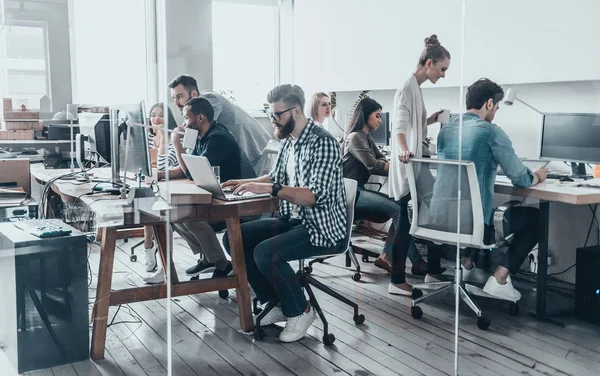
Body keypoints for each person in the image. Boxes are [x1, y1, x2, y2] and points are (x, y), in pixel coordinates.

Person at [221, 84, 347, 343]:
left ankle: (301, 310)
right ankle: (276, 302)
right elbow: (276, 178)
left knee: (266, 252)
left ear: (296, 111)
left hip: (320, 227)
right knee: (234, 238)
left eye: (277, 114)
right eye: (271, 114)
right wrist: (244, 182)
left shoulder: (322, 143)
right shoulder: (289, 142)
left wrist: (270, 187)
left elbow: (314, 196)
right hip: (292, 221)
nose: (273, 120)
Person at [433, 78, 548, 300]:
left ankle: (466, 265)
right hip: (470, 222)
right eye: (496, 107)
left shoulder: (445, 130)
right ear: (488, 104)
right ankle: (500, 278)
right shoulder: (491, 132)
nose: (496, 111)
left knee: (478, 206)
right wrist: (538, 175)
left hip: (439, 218)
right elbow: (521, 178)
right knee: (535, 219)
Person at [152, 97, 255, 282]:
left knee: (189, 215)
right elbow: (188, 168)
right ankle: (211, 258)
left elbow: (190, 172)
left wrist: (176, 142)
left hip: (238, 200)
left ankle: (220, 262)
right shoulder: (201, 135)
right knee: (174, 214)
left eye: (186, 117)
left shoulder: (218, 139)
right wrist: (158, 175)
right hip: (217, 195)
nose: (183, 123)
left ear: (200, 118)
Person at [342, 97, 437, 275]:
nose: (380, 120)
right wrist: (402, 165)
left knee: (401, 208)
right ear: (365, 115)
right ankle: (412, 261)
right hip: (350, 192)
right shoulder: (355, 137)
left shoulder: (366, 137)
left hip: (357, 189)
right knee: (400, 211)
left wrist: (395, 164)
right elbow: (375, 165)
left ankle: (387, 256)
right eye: (377, 116)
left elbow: (382, 161)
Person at [388, 34, 449, 296]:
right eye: (442, 69)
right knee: (409, 217)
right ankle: (398, 279)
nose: (443, 75)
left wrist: (431, 120)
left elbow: (413, 123)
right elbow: (399, 126)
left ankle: (431, 270)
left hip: (416, 162)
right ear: (429, 63)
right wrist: (403, 151)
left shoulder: (415, 87)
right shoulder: (407, 87)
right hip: (410, 163)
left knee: (433, 209)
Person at [168, 75, 270, 169]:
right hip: (236, 150)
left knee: (249, 183)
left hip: (251, 144)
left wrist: (176, 140)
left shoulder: (208, 100)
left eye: (179, 96)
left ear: (194, 94)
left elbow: (193, 135)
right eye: (173, 98)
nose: (176, 102)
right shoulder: (192, 111)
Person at [142, 103, 179, 280]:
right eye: (153, 114)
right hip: (155, 186)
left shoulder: (174, 139)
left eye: (161, 115)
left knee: (154, 207)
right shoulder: (148, 138)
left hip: (173, 188)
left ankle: (165, 265)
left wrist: (164, 137)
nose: (156, 119)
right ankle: (148, 246)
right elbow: (144, 164)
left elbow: (162, 168)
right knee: (143, 200)